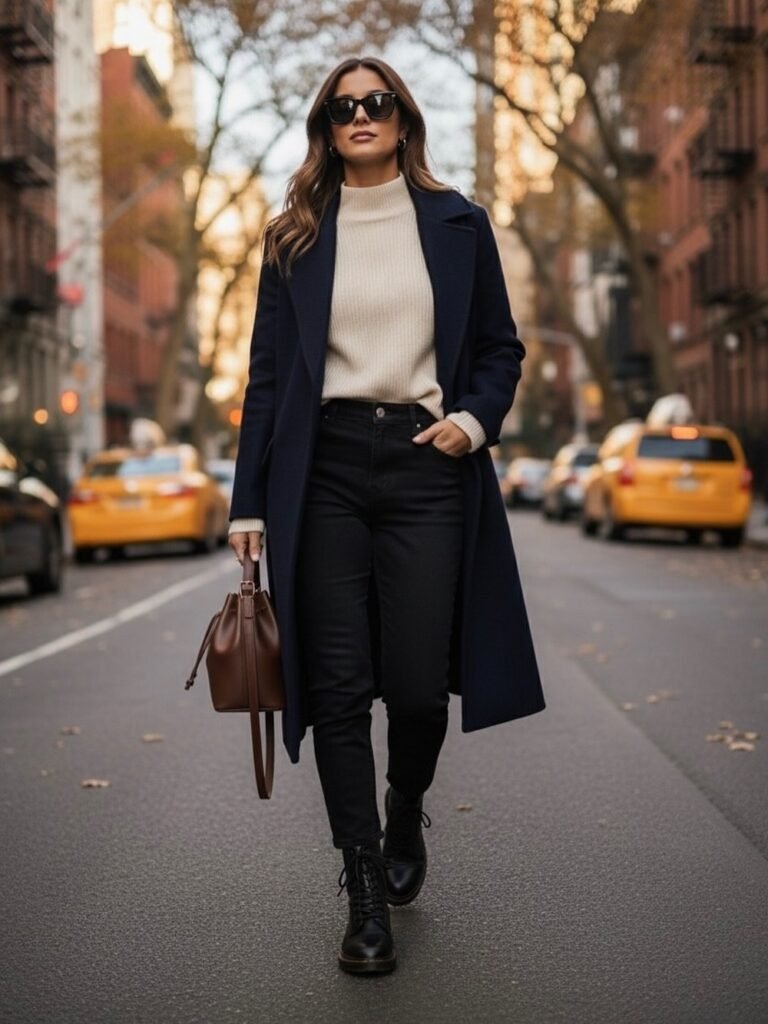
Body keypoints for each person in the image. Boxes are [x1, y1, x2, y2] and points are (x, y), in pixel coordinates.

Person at [228, 56, 545, 975]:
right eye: (343, 108)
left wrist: (474, 422)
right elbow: (266, 380)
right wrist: (250, 500)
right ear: (326, 130)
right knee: (335, 691)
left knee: (413, 685)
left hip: (424, 464)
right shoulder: (293, 234)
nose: (361, 116)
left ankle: (405, 804)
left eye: (378, 103)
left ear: (404, 120)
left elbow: (499, 347)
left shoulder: (458, 224)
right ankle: (363, 891)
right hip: (320, 470)